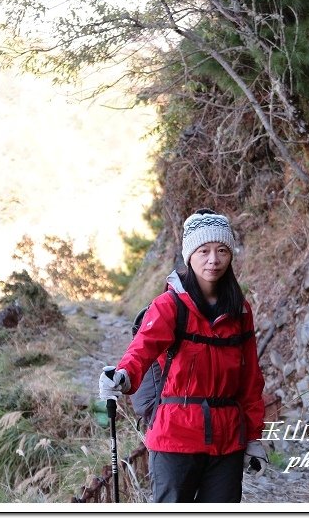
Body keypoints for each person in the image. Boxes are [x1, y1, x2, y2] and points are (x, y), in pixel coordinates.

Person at [99, 208, 267, 503]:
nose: (213, 260)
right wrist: (124, 376)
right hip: (175, 437)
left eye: (221, 250)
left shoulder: (240, 310)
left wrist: (253, 438)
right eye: (204, 251)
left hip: (227, 441)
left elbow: (250, 379)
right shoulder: (170, 305)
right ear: (190, 255)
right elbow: (143, 348)